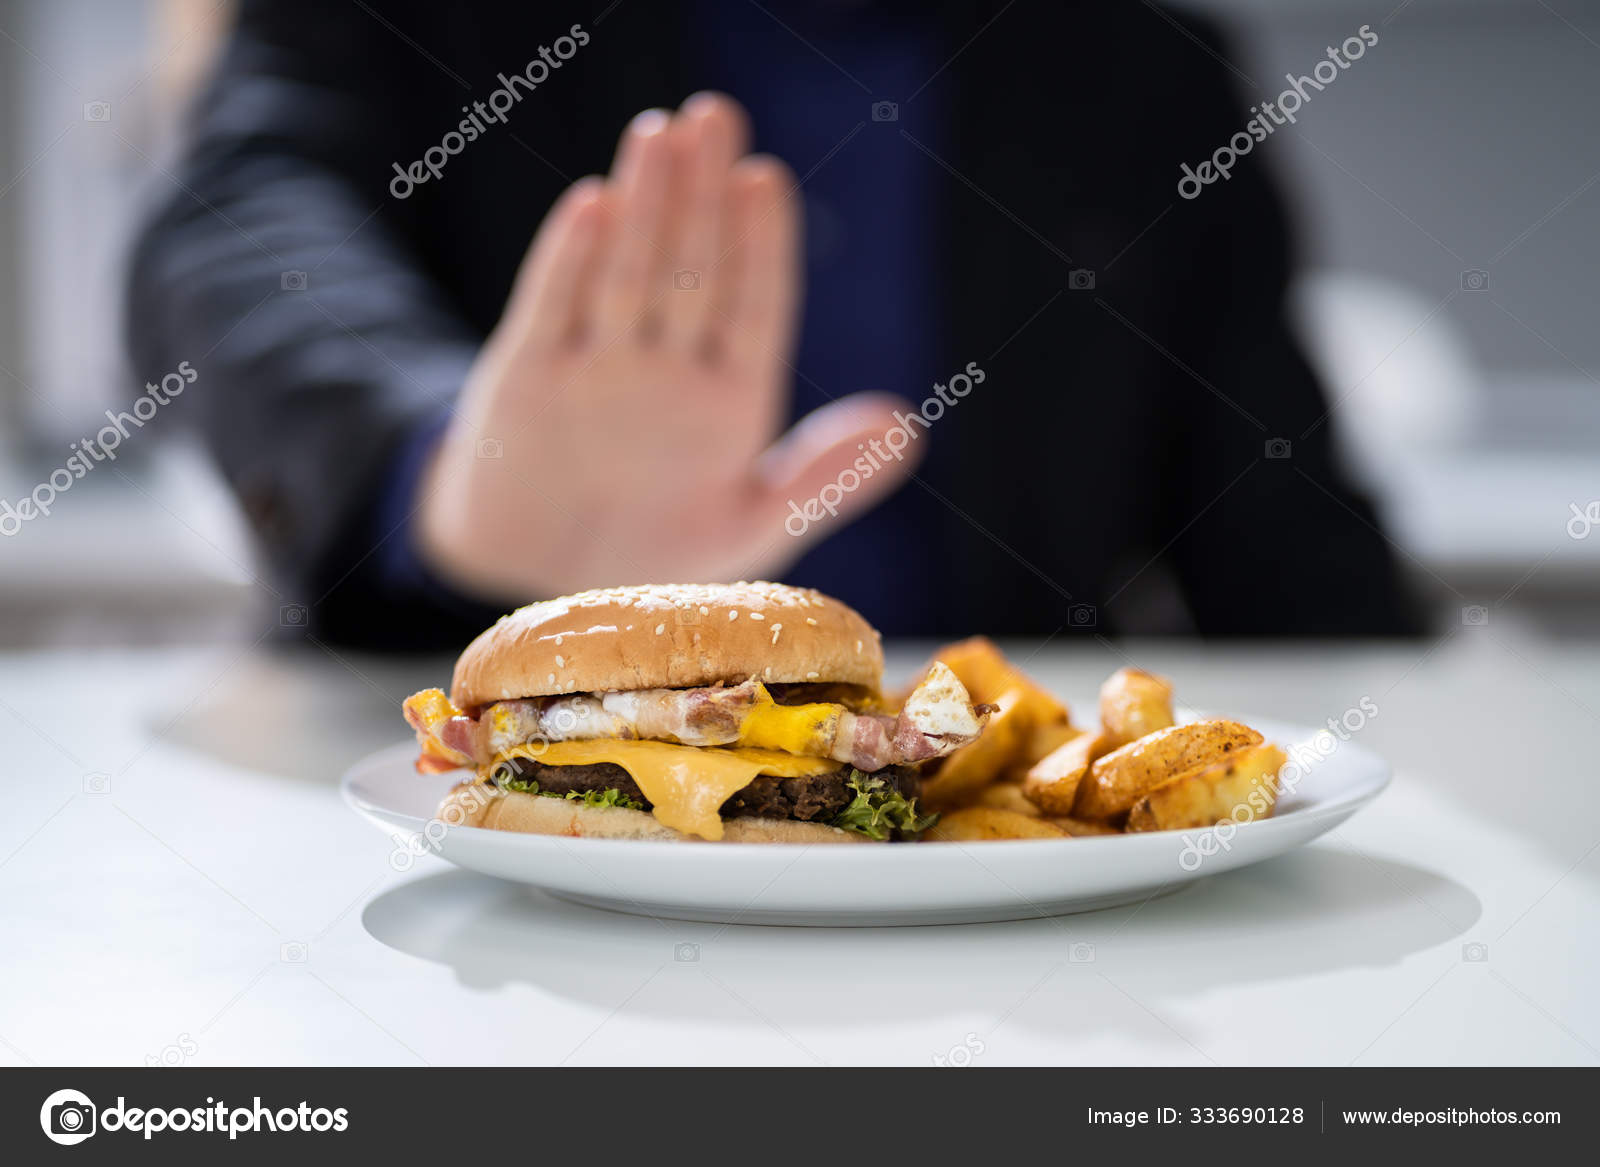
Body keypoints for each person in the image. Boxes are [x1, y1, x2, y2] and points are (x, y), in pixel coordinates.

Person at [127, 1, 1419, 649]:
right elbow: (236, 229)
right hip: (480, 879)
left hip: (996, 892)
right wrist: (449, 470)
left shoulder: (1144, 77)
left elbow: (1289, 546)